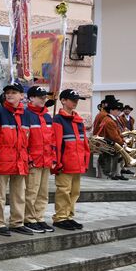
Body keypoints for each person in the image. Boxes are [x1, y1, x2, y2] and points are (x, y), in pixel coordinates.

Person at [0, 83, 32, 236]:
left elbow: (28, 140)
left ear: (21, 95)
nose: (9, 95)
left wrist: (28, 157)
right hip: (2, 160)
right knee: (0, 194)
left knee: (19, 194)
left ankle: (17, 222)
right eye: (7, 92)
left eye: (14, 92)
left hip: (20, 161)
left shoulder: (26, 115)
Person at [52, 89, 89, 230]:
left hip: (77, 163)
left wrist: (85, 161)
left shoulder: (78, 120)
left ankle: (68, 216)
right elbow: (56, 143)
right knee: (63, 190)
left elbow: (84, 143)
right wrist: (57, 162)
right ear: (63, 101)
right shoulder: (58, 119)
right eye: (72, 100)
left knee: (75, 192)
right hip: (65, 163)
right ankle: (60, 217)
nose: (75, 102)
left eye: (77, 100)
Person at [23, 86, 57, 233]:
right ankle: (29, 219)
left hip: (46, 160)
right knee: (31, 191)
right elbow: (24, 140)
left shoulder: (47, 116)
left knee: (43, 192)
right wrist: (29, 158)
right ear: (31, 98)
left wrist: (53, 157)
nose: (44, 99)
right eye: (40, 96)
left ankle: (39, 217)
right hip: (34, 161)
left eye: (44, 97)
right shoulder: (26, 115)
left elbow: (52, 139)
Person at [95, 100, 128, 180]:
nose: (119, 112)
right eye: (117, 110)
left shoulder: (110, 119)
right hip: (108, 143)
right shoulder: (109, 120)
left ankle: (114, 174)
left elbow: (117, 133)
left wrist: (123, 141)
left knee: (114, 158)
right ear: (111, 110)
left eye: (120, 110)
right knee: (110, 159)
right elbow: (114, 136)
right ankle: (109, 174)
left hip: (109, 143)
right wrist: (122, 142)